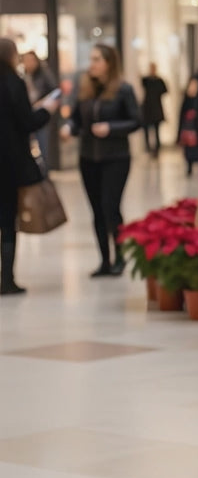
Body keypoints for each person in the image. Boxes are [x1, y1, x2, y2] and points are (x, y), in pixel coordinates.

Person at [61, 44, 141, 277]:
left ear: (109, 63)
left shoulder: (123, 90)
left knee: (110, 206)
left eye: (97, 59)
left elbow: (136, 121)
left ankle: (120, 257)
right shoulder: (85, 89)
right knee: (96, 209)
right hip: (88, 157)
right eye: (91, 58)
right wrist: (69, 128)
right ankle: (104, 260)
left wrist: (111, 128)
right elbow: (76, 120)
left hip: (115, 157)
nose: (92, 63)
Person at [0, 39, 60, 295]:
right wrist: (47, 111)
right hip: (10, 163)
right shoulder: (14, 83)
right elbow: (27, 122)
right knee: (7, 219)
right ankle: (7, 279)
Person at [20, 50, 57, 164]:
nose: (28, 63)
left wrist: (42, 103)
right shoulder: (21, 76)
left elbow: (55, 91)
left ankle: (45, 175)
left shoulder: (43, 74)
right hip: (26, 114)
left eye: (31, 60)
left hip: (40, 113)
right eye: (26, 60)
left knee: (43, 145)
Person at [177, 75, 198, 176]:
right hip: (188, 128)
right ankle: (189, 166)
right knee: (189, 149)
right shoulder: (187, 99)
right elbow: (181, 115)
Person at [140, 62, 168, 158]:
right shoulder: (146, 80)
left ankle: (157, 150)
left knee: (156, 131)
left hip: (156, 109)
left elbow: (165, 91)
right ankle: (148, 148)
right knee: (146, 130)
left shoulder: (159, 80)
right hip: (147, 108)